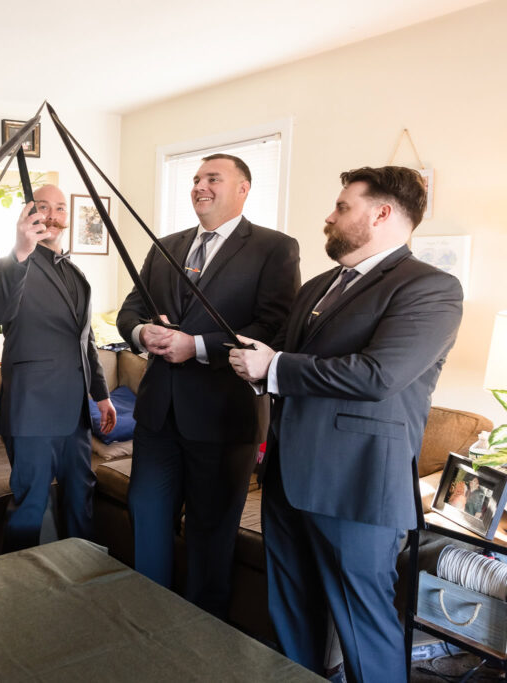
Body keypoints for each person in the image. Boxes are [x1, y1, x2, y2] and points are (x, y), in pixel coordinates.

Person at [228, 166, 463, 683]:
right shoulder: (315, 287)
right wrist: (258, 371)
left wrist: (276, 368)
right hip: (286, 477)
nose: (329, 217)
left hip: (357, 486)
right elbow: (288, 370)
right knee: (290, 613)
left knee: (364, 625)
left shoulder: (431, 288)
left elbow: (381, 375)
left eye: (341, 207)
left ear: (381, 213)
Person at [116, 153, 300, 618]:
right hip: (158, 417)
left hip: (224, 418)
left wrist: (195, 345)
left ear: (243, 188)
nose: (200, 186)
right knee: (146, 517)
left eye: (212, 178)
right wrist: (144, 334)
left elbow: (274, 328)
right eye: (196, 179)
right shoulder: (165, 247)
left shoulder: (274, 248)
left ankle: (199, 635)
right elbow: (129, 311)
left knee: (210, 534)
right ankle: (147, 620)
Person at [0, 185, 116, 551]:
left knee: (80, 496)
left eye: (60, 208)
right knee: (30, 505)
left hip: (74, 412)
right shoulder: (12, 263)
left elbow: (84, 339)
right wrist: (21, 251)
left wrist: (101, 396)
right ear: (29, 215)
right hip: (31, 410)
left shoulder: (74, 272)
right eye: (44, 207)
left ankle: (83, 575)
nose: (54, 215)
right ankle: (24, 591)